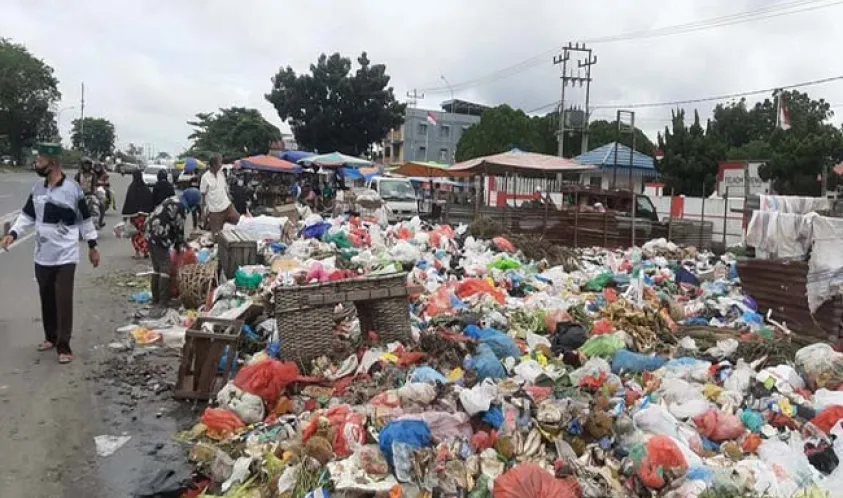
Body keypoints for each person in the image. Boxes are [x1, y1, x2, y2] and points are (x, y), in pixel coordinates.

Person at [1, 143, 100, 364]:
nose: (36, 164)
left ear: (53, 163)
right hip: (42, 254)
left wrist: (93, 246)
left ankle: (64, 346)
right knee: (46, 297)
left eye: (40, 161)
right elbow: (27, 216)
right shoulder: (37, 188)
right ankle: (51, 337)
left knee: (63, 298)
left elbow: (84, 220)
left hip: (66, 255)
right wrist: (13, 234)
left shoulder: (73, 189)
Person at [144, 188, 201, 309]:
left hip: (150, 231)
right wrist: (180, 245)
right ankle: (163, 301)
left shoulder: (174, 199)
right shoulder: (182, 207)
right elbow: (178, 228)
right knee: (166, 267)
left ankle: (156, 298)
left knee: (157, 267)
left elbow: (173, 224)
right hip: (159, 234)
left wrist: (181, 242)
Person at [200, 154, 239, 233]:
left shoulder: (221, 174)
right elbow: (203, 196)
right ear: (214, 165)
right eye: (220, 163)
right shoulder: (205, 177)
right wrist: (203, 212)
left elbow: (225, 190)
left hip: (227, 206)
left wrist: (231, 204)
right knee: (216, 235)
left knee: (239, 222)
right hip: (215, 211)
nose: (221, 165)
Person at [122, 170, 155, 259]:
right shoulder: (145, 188)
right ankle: (145, 251)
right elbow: (150, 201)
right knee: (143, 233)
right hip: (144, 217)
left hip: (134, 216)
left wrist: (125, 216)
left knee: (135, 234)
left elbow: (128, 202)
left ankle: (137, 252)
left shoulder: (132, 188)